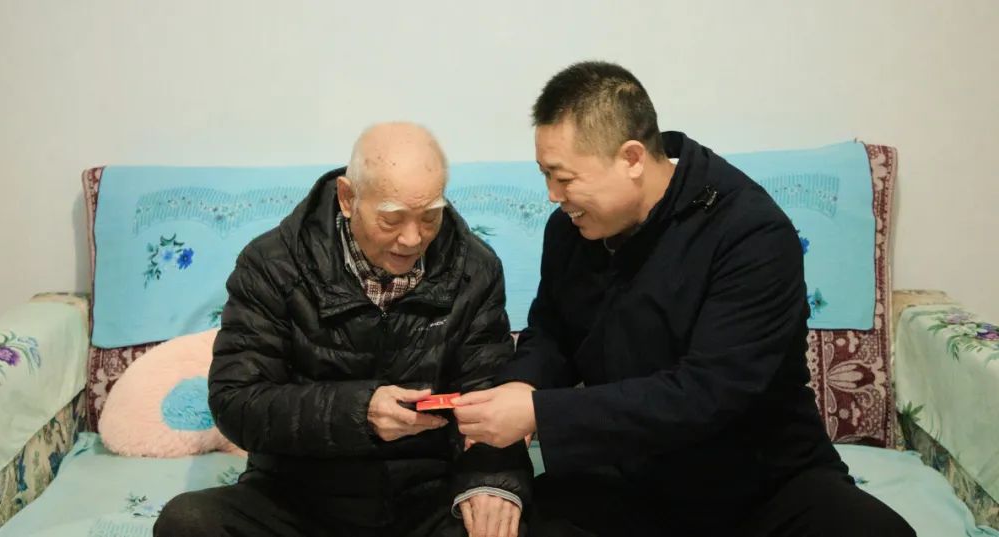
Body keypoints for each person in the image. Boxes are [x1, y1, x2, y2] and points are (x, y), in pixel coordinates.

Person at [452, 61, 915, 536]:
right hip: (630, 476)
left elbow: (708, 392)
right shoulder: (571, 230)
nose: (553, 196)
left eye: (564, 178)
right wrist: (520, 386)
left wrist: (540, 413)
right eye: (545, 175)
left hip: (763, 481)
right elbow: (552, 334)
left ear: (632, 158)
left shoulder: (751, 233)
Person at [154, 122, 531, 537]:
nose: (412, 238)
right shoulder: (272, 264)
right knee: (188, 522)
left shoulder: (473, 268)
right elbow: (237, 402)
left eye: (430, 217)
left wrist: (491, 484)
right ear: (348, 198)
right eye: (392, 219)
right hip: (296, 498)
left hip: (422, 498)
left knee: (527, 523)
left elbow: (489, 395)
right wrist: (358, 412)